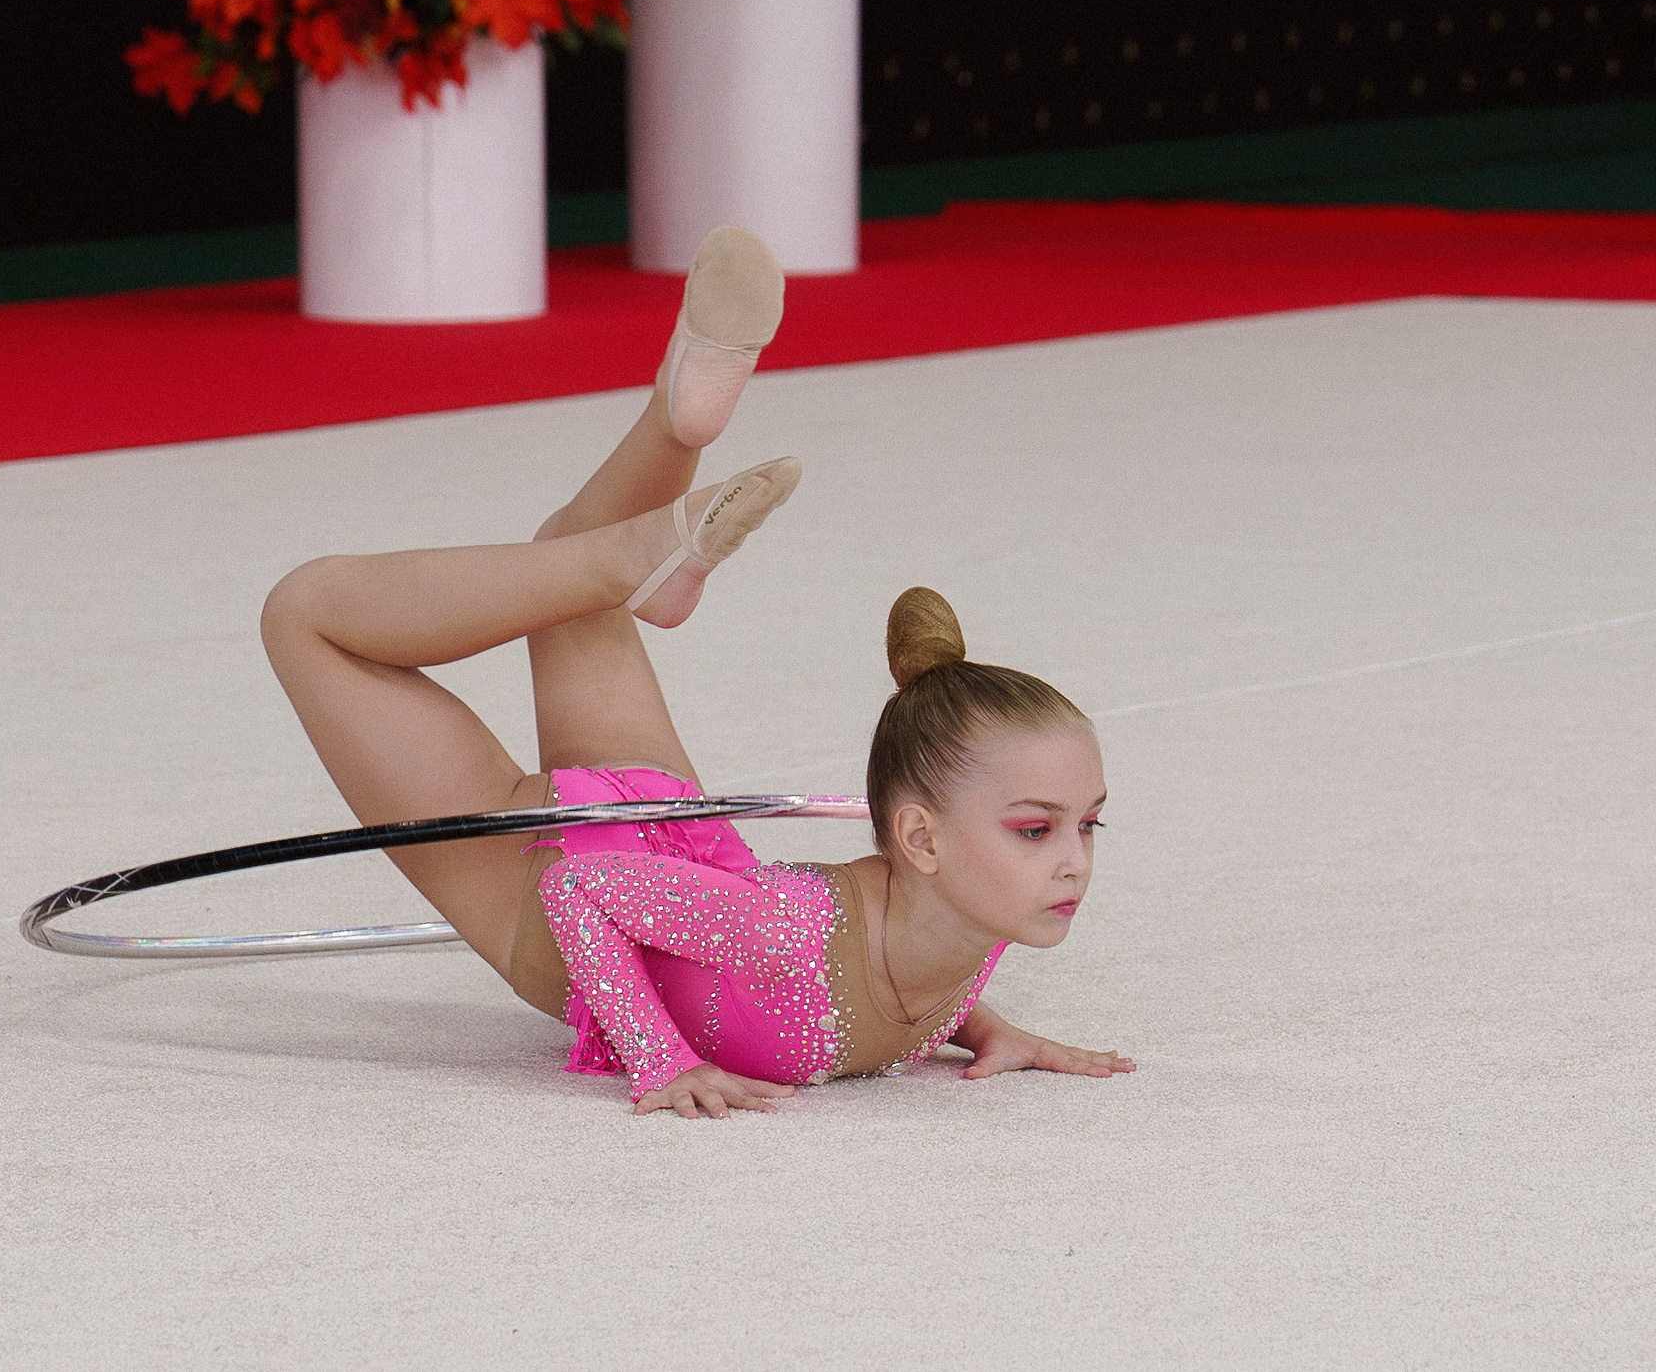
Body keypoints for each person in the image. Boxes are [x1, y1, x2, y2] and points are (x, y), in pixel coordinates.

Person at [257, 226, 1134, 1117]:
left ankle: (675, 428)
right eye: (1037, 829)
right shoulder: (783, 937)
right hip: (546, 881)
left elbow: (922, 948)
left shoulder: (986, 916)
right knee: (303, 613)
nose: (1075, 863)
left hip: (662, 817)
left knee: (567, 557)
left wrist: (986, 1028)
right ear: (921, 838)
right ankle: (624, 553)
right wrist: (658, 1057)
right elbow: (575, 885)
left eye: (1089, 826)